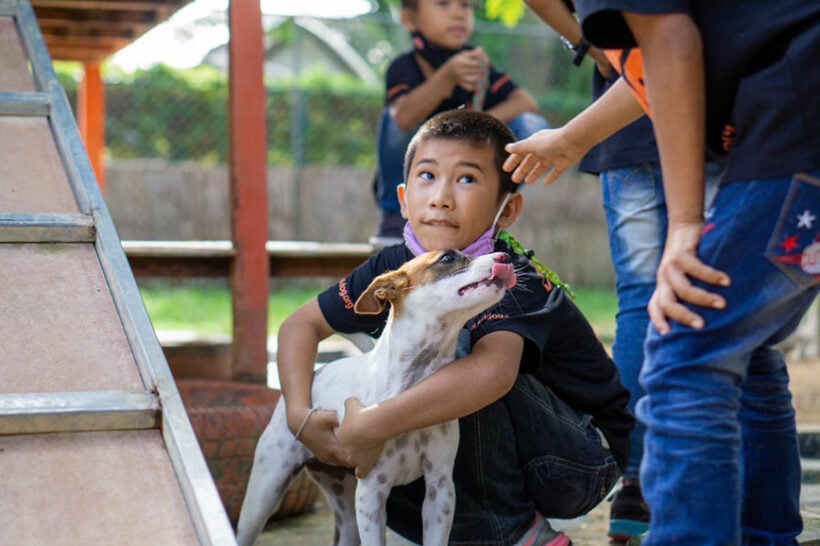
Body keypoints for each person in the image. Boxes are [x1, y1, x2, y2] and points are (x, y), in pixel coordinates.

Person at [512, 1, 820, 543]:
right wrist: (570, 139)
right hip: (791, 124)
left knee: (686, 344)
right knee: (738, 341)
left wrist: (685, 224)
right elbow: (663, 55)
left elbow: (670, 41)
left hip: (796, 125)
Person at [277, 110, 634, 546]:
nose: (441, 197)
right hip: (505, 460)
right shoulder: (398, 267)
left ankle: (518, 533)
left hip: (578, 459)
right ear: (404, 199)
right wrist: (300, 415)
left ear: (508, 209)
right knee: (403, 377)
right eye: (427, 176)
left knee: (455, 352)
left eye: (466, 179)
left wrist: (370, 425)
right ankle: (477, 528)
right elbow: (300, 326)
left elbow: (492, 375)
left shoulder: (508, 277)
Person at [371, 0, 550, 246]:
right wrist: (446, 77)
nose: (458, 13)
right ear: (409, 19)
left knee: (532, 125)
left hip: (466, 168)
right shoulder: (404, 67)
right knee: (392, 119)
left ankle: (490, 209)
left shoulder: (477, 67)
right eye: (443, 4)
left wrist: (475, 126)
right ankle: (395, 215)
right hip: (420, 169)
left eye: (465, 5)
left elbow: (525, 102)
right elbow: (403, 119)